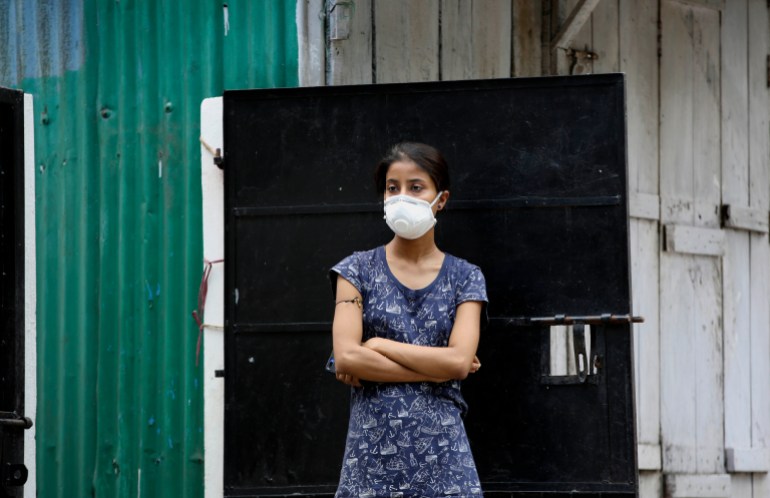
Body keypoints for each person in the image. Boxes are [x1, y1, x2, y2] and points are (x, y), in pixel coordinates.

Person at [329, 142, 488, 497]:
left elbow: (460, 362)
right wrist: (440, 367)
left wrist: (377, 346)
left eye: (416, 187)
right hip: (370, 462)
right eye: (392, 188)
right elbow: (347, 357)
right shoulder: (355, 271)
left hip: (445, 466)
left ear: (441, 199)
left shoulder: (466, 277)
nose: (402, 196)